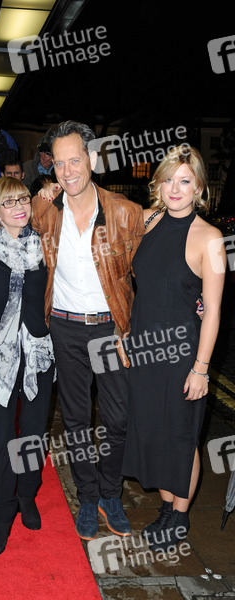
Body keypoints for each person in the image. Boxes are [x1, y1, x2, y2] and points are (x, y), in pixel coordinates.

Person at [31, 120, 144, 540]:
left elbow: (149, 272)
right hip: (64, 328)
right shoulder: (44, 209)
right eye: (59, 164)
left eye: (75, 160)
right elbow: (8, 226)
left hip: (110, 330)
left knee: (117, 418)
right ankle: (87, 496)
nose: (67, 171)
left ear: (92, 159)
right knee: (76, 420)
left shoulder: (124, 212)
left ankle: (111, 495)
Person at [121, 146, 226, 551]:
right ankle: (167, 508)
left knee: (180, 436)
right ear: (158, 184)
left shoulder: (210, 238)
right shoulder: (147, 221)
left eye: (185, 180)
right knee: (151, 431)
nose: (175, 188)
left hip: (183, 354)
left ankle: (178, 518)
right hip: (144, 349)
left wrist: (201, 368)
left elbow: (213, 310)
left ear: (199, 187)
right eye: (168, 179)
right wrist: (51, 191)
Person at [0, 176, 55, 556]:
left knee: (33, 433)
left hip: (38, 354)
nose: (19, 207)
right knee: (3, 437)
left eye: (23, 200)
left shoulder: (44, 245)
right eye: (9, 202)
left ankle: (27, 495)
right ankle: (2, 514)